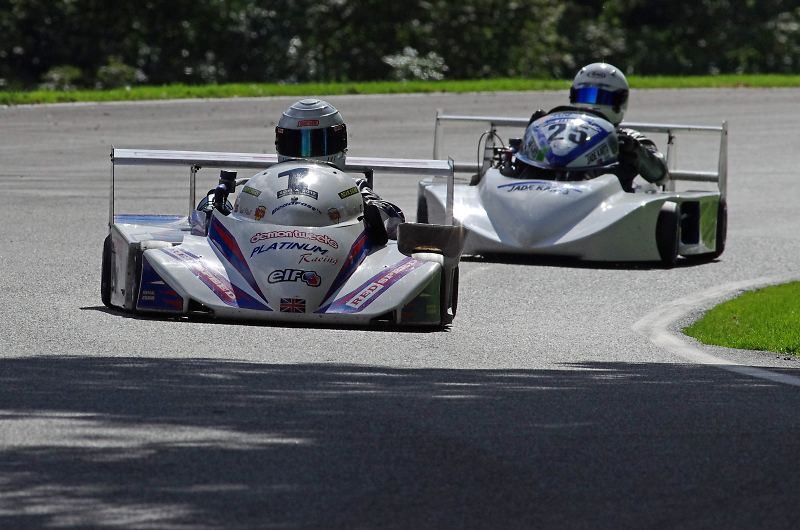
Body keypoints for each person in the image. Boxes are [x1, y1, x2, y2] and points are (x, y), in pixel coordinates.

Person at [274, 98, 405, 238]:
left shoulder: (353, 188)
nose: (308, 154)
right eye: (297, 144)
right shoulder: (268, 186)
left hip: (332, 247)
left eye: (319, 144)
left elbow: (395, 222)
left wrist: (364, 206)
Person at [569, 62, 669, 191]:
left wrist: (635, 151)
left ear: (619, 100)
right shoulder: (559, 134)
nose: (591, 104)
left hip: (608, 199)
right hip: (557, 194)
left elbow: (660, 175)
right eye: (585, 95)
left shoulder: (629, 138)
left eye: (601, 97)